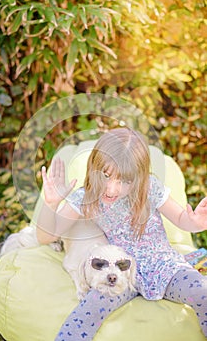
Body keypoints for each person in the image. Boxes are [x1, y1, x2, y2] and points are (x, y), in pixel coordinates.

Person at [36, 127, 207, 340]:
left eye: (125, 181)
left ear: (139, 178)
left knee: (203, 292)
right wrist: (50, 204)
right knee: (87, 311)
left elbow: (182, 219)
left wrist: (196, 222)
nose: (112, 189)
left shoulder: (149, 188)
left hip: (164, 266)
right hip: (120, 272)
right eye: (106, 176)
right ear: (94, 168)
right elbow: (45, 237)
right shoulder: (85, 198)